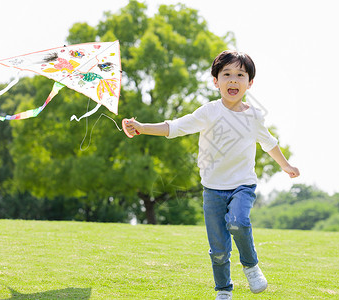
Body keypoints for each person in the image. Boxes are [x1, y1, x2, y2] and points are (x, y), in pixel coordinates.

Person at [124, 50, 300, 300]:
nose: (233, 80)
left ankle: (250, 266)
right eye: (226, 74)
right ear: (215, 81)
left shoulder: (254, 116)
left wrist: (286, 166)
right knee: (218, 249)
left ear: (250, 83)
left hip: (243, 186)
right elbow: (174, 127)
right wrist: (142, 128)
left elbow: (269, 143)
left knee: (238, 222)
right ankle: (224, 290)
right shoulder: (209, 112)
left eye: (240, 75)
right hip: (213, 189)